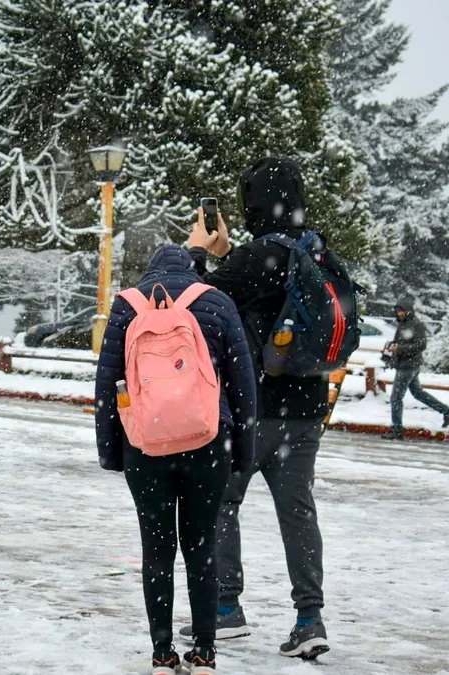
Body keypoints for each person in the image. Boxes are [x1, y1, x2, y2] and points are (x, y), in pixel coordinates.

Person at [183, 157, 332, 659]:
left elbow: (195, 301)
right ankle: (310, 618)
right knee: (298, 512)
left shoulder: (255, 259)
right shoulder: (317, 251)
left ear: (251, 205)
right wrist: (231, 255)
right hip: (307, 409)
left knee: (222, 503)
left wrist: (199, 253)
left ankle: (226, 609)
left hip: (253, 408)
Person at [96, 245, 257, 675]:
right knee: (202, 546)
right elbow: (243, 384)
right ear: (194, 269)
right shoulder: (217, 302)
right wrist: (243, 451)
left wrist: (113, 452)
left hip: (145, 447)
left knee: (157, 551)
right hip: (207, 442)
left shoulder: (127, 304)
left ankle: (162, 654)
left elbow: (108, 383)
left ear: (151, 271)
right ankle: (204, 651)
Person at [381, 296, 449, 440]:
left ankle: (397, 430)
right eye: (397, 311)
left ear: (408, 311)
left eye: (401, 311)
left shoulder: (415, 324)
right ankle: (446, 411)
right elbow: (401, 342)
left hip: (408, 366)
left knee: (396, 398)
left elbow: (421, 345)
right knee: (418, 393)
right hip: (407, 364)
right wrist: (390, 349)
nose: (399, 314)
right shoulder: (404, 324)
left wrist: (399, 349)